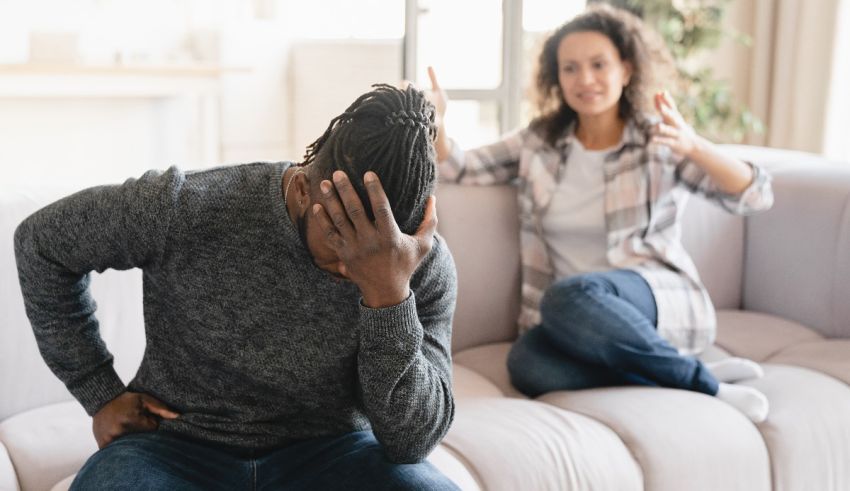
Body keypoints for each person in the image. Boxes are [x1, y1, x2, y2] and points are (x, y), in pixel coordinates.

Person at [14, 84, 461, 490]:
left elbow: (410, 443)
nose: (352, 266)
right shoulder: (184, 207)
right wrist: (100, 393)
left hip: (334, 453)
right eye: (339, 239)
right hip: (173, 451)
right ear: (304, 187)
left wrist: (388, 297)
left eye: (377, 252)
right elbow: (41, 244)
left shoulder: (421, 263)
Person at [427, 4, 773, 423]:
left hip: (652, 295)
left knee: (572, 294)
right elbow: (459, 166)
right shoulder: (540, 141)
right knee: (528, 364)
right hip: (576, 321)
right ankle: (678, 371)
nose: (584, 79)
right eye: (570, 68)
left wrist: (694, 145)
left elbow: (754, 197)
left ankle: (707, 385)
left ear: (626, 70)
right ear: (557, 78)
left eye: (598, 65)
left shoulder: (656, 137)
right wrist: (438, 121)